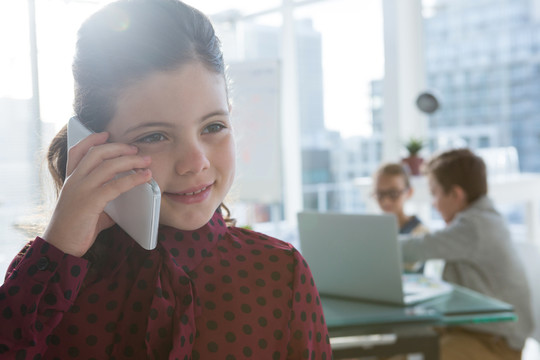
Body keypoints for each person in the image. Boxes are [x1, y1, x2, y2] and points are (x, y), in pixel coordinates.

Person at [0, 1, 332, 359]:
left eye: (213, 126)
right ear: (93, 146)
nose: (195, 163)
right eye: (155, 136)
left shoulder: (279, 273)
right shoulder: (50, 282)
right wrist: (60, 247)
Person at [399, 148, 533, 360]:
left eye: (435, 193)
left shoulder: (475, 227)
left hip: (495, 344)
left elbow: (420, 247)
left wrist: (376, 244)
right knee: (400, 343)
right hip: (474, 333)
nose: (433, 204)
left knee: (417, 349)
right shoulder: (480, 220)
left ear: (456, 194)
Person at [373, 163, 428, 235]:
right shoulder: (373, 230)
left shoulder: (421, 233)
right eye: (380, 194)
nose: (386, 201)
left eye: (393, 194)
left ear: (409, 192)